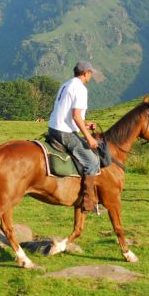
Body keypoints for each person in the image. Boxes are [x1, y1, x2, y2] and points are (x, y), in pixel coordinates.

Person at [48, 61, 100, 213]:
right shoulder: (81, 89)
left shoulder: (66, 84)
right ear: (86, 73)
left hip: (54, 128)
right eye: (91, 73)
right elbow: (76, 116)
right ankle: (88, 202)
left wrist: (86, 124)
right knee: (92, 161)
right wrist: (89, 137)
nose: (91, 75)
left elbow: (68, 113)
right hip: (65, 132)